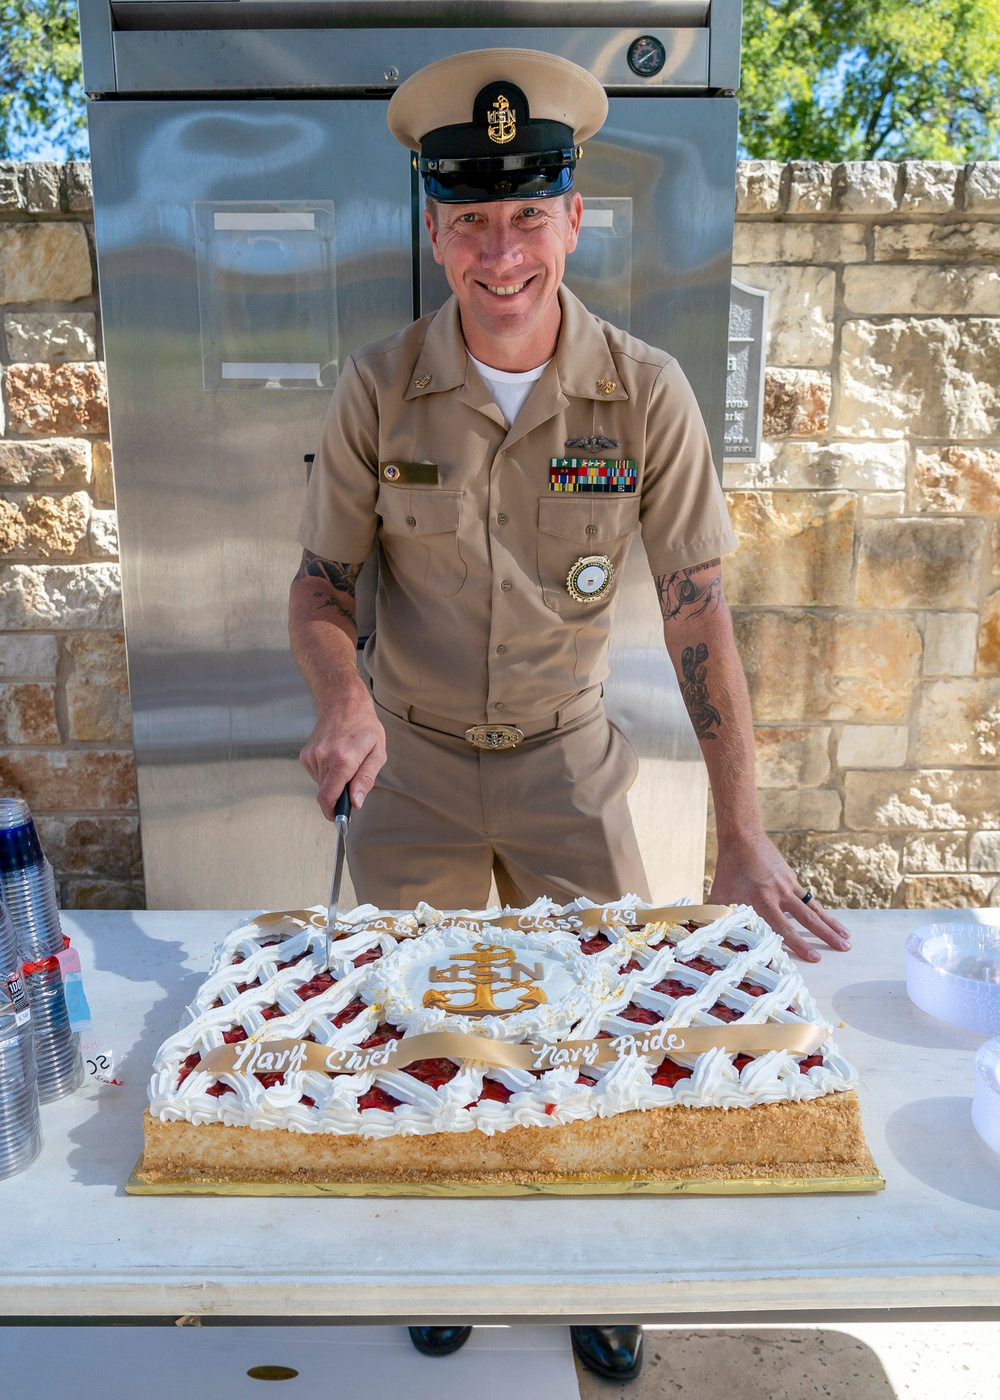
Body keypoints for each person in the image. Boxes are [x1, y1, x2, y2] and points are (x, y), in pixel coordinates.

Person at [289, 47, 852, 1384]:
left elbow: (700, 616)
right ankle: (444, 1260)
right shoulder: (378, 389)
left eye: (526, 214)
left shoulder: (644, 393)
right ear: (433, 227)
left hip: (571, 773)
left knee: (598, 1038)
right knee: (422, 1039)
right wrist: (341, 696)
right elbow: (321, 586)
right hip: (413, 774)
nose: (501, 252)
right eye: (471, 218)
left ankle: (602, 1274)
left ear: (572, 218)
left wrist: (743, 834)